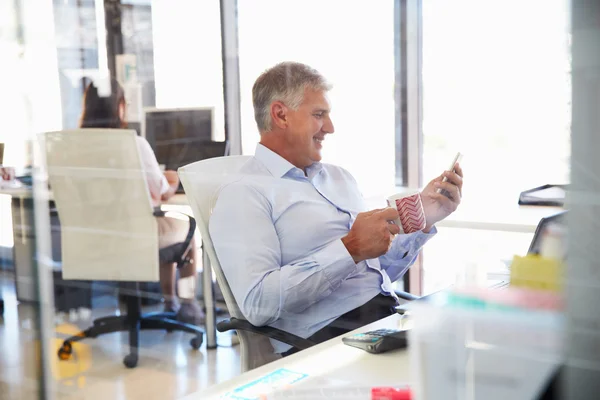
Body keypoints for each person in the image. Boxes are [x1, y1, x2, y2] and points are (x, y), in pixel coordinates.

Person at [209, 62, 463, 355]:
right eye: (319, 115)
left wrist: (424, 219)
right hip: (327, 341)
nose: (330, 128)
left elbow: (377, 273)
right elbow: (258, 304)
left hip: (384, 322)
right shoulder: (243, 193)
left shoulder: (340, 177)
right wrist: (349, 249)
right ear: (280, 115)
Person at [79, 79, 204, 325]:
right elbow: (162, 191)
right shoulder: (133, 143)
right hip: (134, 233)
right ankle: (186, 304)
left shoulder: (75, 146)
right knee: (187, 234)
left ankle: (170, 301)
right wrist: (172, 178)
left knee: (164, 225)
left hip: (93, 236)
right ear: (121, 107)